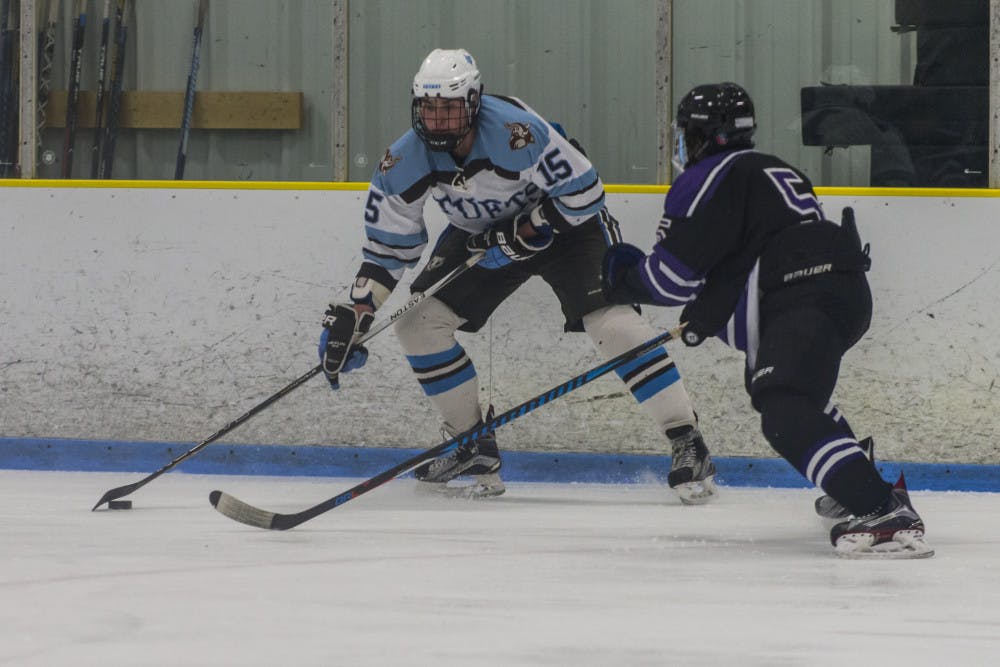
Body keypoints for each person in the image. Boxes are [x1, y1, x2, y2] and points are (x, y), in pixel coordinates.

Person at [318, 48, 717, 502]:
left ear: (473, 102)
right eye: (428, 109)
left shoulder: (516, 131)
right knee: (418, 324)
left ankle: (687, 440)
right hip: (482, 236)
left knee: (612, 322)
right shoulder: (402, 161)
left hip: (569, 228)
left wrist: (529, 228)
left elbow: (586, 192)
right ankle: (470, 445)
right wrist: (358, 312)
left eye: (449, 109)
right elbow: (389, 248)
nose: (437, 120)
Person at [601, 82, 933, 559]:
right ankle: (856, 481)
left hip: (800, 293)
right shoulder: (774, 170)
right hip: (841, 288)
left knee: (785, 410)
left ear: (697, 136)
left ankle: (879, 508)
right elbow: (739, 262)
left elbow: (670, 281)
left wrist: (626, 279)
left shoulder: (705, 178)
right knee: (797, 399)